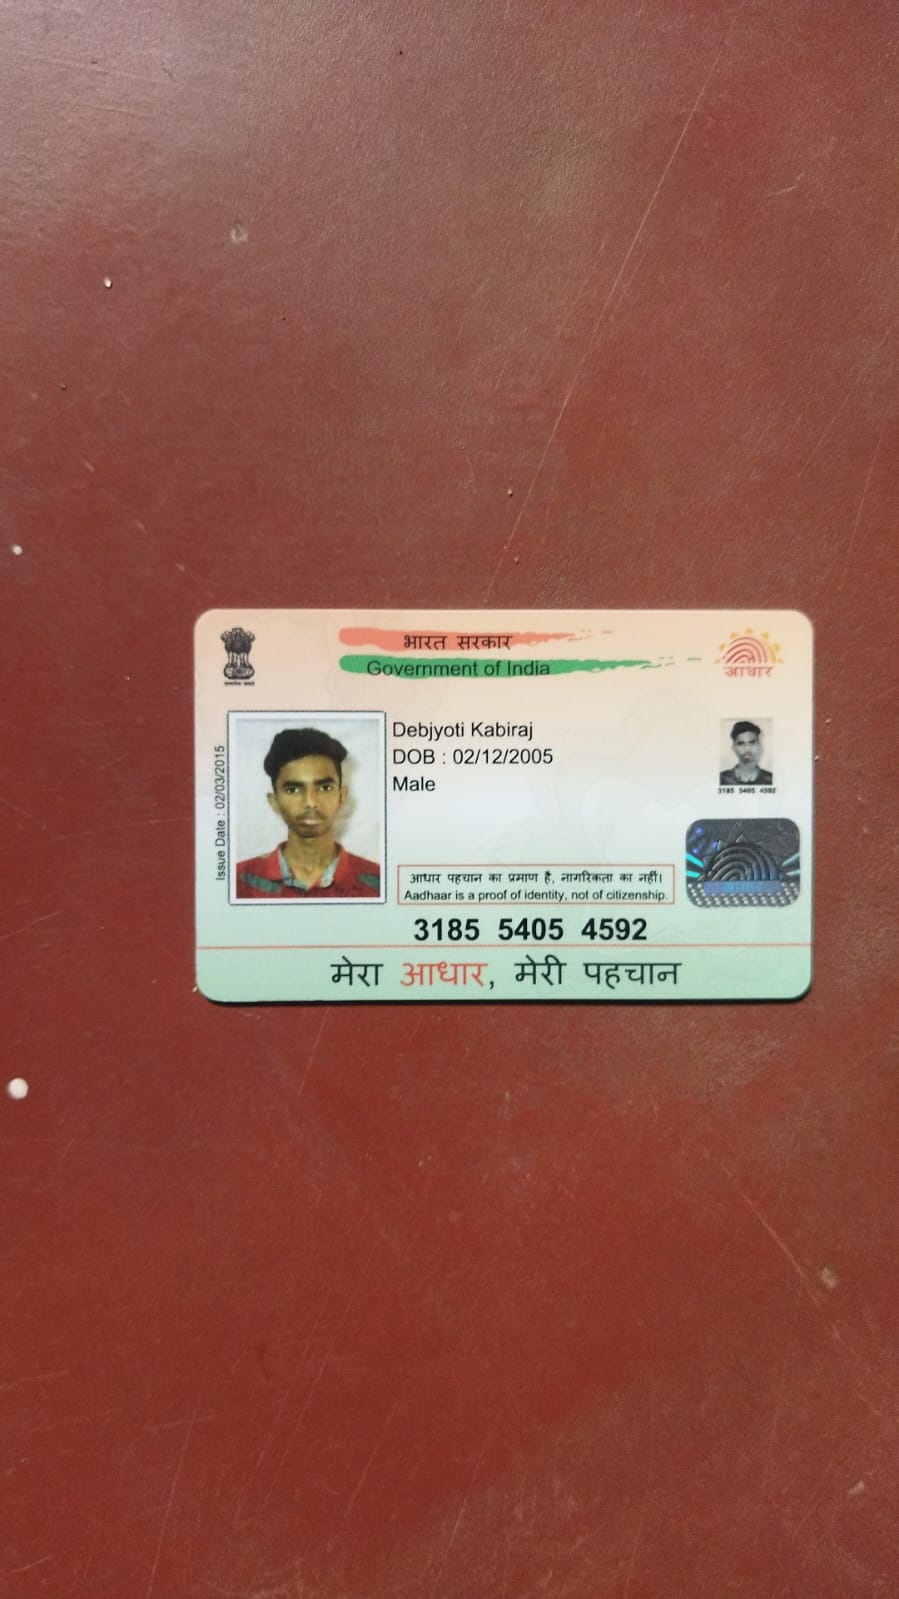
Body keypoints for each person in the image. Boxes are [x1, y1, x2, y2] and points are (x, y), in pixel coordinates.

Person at [236, 728, 380, 897]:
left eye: (325, 788)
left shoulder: (379, 883)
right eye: (293, 790)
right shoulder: (238, 882)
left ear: (341, 797)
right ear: (274, 802)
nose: (310, 803)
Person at [719, 721, 773, 786]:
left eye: (752, 743)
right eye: (741, 744)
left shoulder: (771, 780)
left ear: (759, 746)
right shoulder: (721, 779)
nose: (747, 749)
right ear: (734, 748)